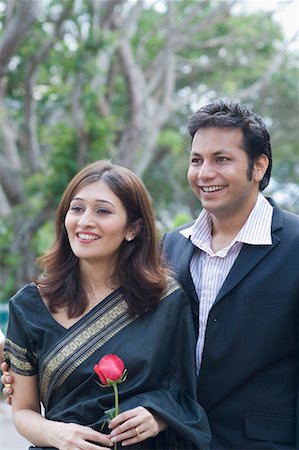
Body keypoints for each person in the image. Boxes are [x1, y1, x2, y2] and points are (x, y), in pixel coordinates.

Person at [1, 160, 211, 450]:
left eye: (103, 210)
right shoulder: (30, 305)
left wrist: (158, 418)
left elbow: (186, 395)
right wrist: (57, 434)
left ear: (133, 228)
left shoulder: (167, 300)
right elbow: (23, 410)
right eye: (77, 209)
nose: (85, 220)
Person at [161, 100, 299, 449]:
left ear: (258, 167)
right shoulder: (171, 246)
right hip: (177, 440)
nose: (204, 173)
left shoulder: (295, 244)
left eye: (221, 159)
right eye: (196, 160)